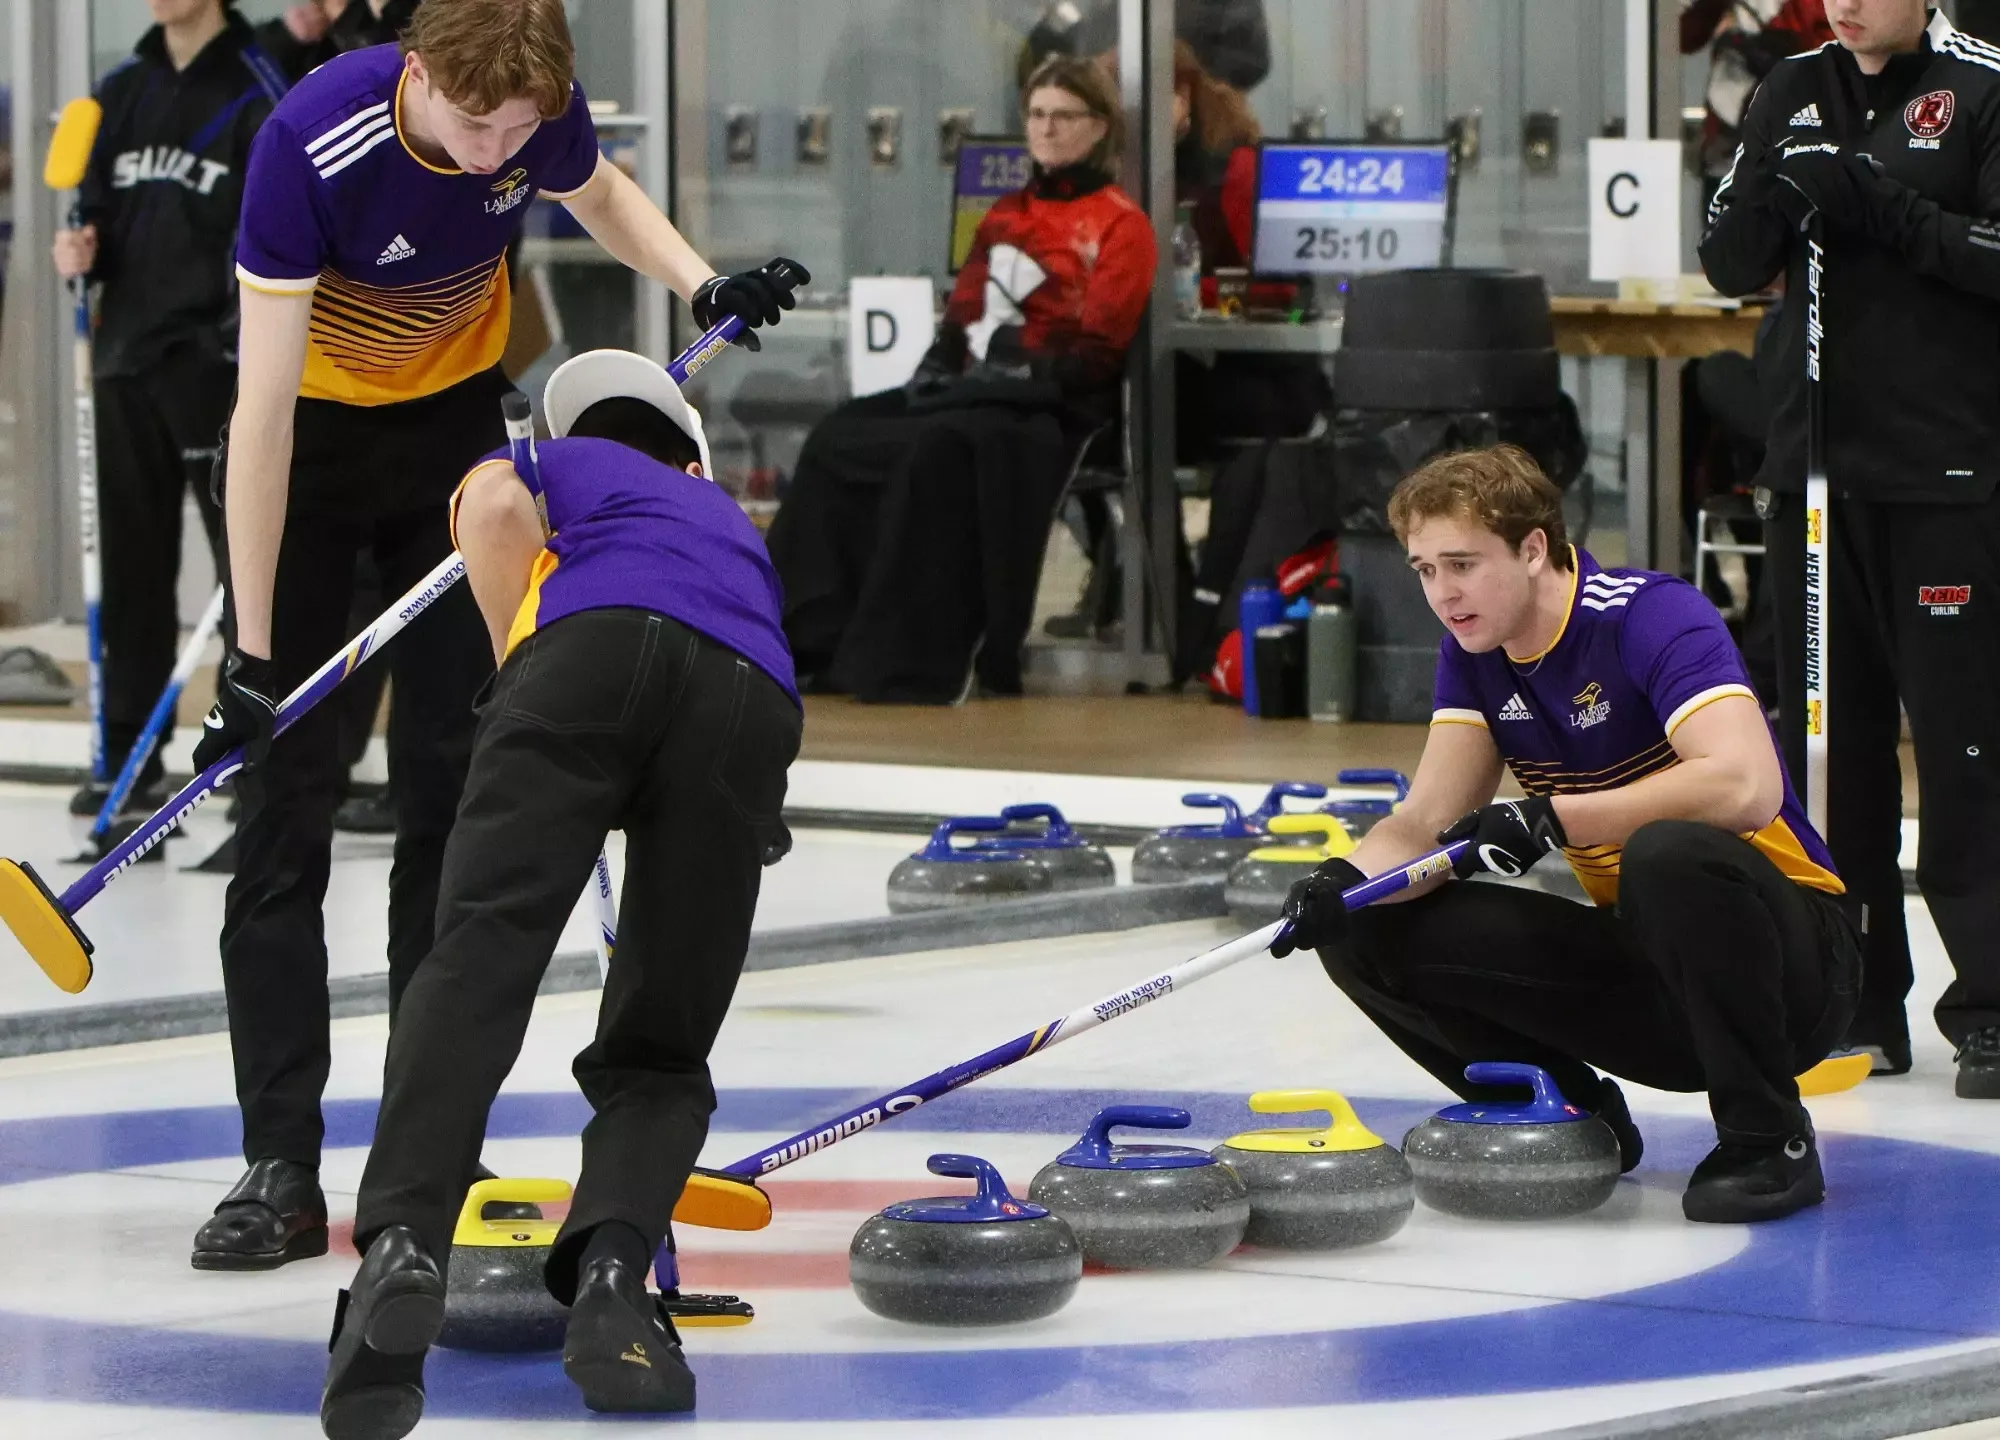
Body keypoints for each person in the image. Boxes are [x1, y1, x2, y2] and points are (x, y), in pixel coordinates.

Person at [187, 0, 801, 1272]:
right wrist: (249, 654)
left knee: (457, 797)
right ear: (417, 75)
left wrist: (700, 280)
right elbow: (259, 417)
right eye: (473, 126)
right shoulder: (312, 142)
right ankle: (279, 1159)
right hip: (304, 449)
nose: (492, 157)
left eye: (516, 132)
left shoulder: (526, 110)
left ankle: (430, 1142)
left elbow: (596, 189)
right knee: (285, 806)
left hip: (452, 440)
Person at [319, 349, 799, 1437]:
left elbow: (491, 506)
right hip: (747, 696)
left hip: (584, 654)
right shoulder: (721, 513)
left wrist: (519, 672)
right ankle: (616, 1284)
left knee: (478, 961)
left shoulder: (546, 457)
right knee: (663, 1045)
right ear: (688, 451)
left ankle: (400, 1248)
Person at [1275, 445, 1858, 1224]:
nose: (1444, 595)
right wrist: (1345, 880)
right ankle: (1568, 1120)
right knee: (1363, 925)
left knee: (1667, 852)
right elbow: (1421, 822)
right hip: (1656, 964)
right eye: (1424, 571)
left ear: (1533, 547)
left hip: (1793, 969)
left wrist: (1554, 817)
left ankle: (1769, 1137)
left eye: (1462, 564)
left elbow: (1745, 785)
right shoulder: (1475, 652)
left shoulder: (1648, 615)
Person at [1698, 0, 2000, 1088]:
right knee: (1833, 759)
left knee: (1966, 751)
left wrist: (1882, 205)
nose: (1844, 0)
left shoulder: (1980, 86)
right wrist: (1773, 187)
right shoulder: (1788, 89)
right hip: (1811, 479)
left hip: (1946, 481)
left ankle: (1987, 1007)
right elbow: (1725, 261)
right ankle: (1856, 1002)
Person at [765, 53, 1155, 703]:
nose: (1047, 129)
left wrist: (1012, 370)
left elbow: (1096, 354)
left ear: (1100, 127)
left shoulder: (1122, 224)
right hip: (978, 388)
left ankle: (900, 657)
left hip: (1054, 402)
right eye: (1036, 115)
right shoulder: (1004, 215)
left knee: (938, 451)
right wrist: (927, 382)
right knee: (840, 434)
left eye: (1063, 116)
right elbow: (959, 322)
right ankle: (808, 635)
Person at [50, 0, 286, 824]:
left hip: (211, 369)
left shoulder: (259, 89)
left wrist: (235, 347)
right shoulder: (119, 92)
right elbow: (95, 220)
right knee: (128, 573)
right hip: (124, 362)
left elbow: (272, 235)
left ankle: (255, 764)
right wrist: (79, 250)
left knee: (244, 573)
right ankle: (128, 755)